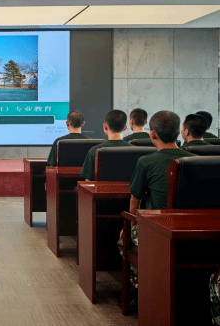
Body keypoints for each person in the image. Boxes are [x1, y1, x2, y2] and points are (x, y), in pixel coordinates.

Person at [119, 111, 196, 296]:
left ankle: (139, 290)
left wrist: (131, 226)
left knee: (123, 239)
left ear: (152, 135)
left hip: (156, 230)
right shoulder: (194, 159)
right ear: (178, 132)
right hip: (191, 229)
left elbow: (134, 200)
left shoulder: (146, 162)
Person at [80, 110, 131, 180]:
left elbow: (88, 181)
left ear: (105, 126)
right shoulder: (136, 152)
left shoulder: (94, 151)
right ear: (125, 128)